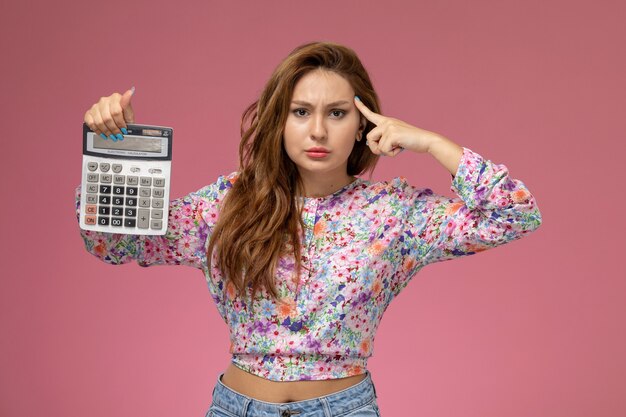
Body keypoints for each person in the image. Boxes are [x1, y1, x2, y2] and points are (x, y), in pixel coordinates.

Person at [77, 41, 542, 417]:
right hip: (236, 408)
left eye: (337, 113)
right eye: (301, 112)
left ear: (363, 123)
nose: (317, 130)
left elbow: (514, 214)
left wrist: (431, 142)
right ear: (279, 121)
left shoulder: (394, 212)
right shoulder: (229, 202)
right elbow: (111, 242)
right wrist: (112, 148)